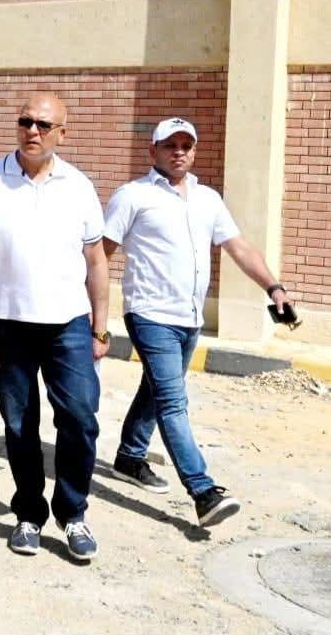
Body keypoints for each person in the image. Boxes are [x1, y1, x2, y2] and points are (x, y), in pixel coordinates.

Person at [103, 117, 291, 528]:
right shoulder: (132, 196)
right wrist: (91, 311)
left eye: (185, 145)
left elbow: (238, 247)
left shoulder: (208, 199)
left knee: (157, 389)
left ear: (193, 151)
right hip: (149, 313)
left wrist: (273, 287)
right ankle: (203, 492)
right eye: (169, 145)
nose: (178, 152)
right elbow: (101, 253)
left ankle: (129, 457)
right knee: (173, 401)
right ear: (152, 151)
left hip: (190, 317)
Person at [0, 92, 109, 563]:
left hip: (68, 324)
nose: (33, 131)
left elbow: (96, 260)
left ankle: (73, 512)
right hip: (7, 325)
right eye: (25, 121)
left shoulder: (78, 186)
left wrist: (101, 327)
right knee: (20, 424)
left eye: (44, 124)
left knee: (80, 417)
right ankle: (29, 514)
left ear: (62, 132)